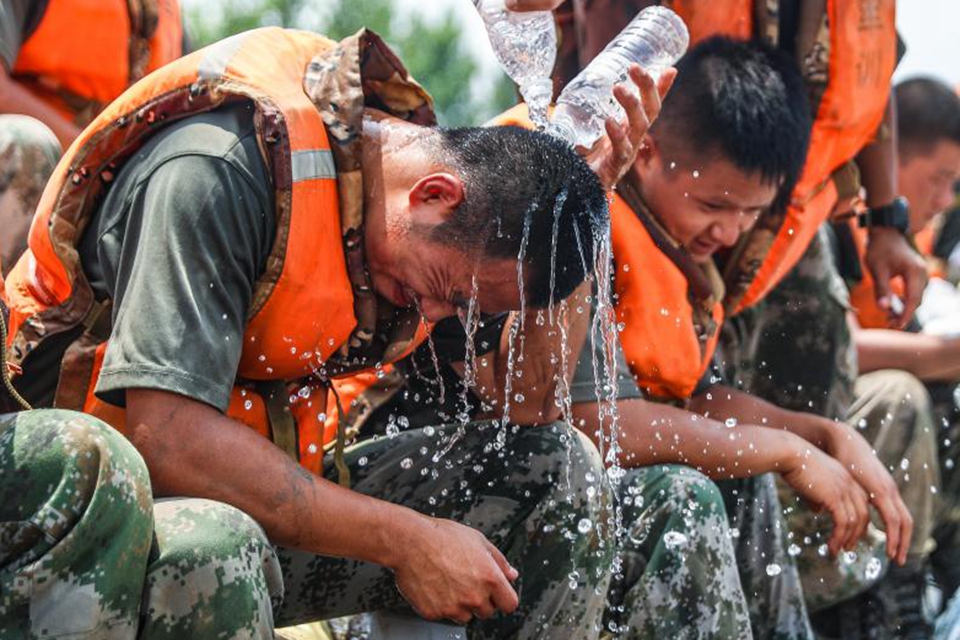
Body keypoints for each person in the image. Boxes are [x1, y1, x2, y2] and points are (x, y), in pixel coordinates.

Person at [0, 25, 667, 637]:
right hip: (103, 514)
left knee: (553, 469)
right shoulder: (218, 168)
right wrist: (407, 539)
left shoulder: (414, 235)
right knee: (217, 543)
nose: (435, 318)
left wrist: (589, 205)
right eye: (447, 294)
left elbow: (532, 405)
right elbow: (167, 438)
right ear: (435, 195)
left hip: (274, 499)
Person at [0, 0, 184, 273]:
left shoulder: (169, 14)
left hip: (106, 187)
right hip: (38, 172)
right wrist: (97, 156)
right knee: (27, 144)